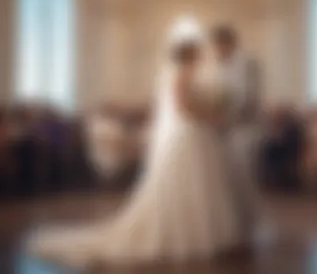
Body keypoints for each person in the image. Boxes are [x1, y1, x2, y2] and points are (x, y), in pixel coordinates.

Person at [28, 26, 243, 269]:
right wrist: (211, 116)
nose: (202, 57)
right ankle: (183, 237)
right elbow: (184, 108)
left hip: (194, 137)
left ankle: (200, 235)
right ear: (189, 56)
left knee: (199, 186)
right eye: (198, 53)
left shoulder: (187, 75)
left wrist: (210, 111)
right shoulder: (181, 74)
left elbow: (191, 105)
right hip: (187, 136)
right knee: (184, 186)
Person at [209, 25, 260, 238]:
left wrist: (228, 117)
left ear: (230, 42)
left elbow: (249, 99)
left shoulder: (248, 63)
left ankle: (246, 224)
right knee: (226, 179)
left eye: (219, 44)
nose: (216, 50)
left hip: (244, 128)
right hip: (222, 130)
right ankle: (230, 225)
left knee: (242, 176)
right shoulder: (218, 66)